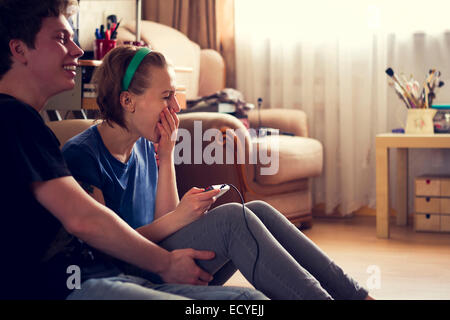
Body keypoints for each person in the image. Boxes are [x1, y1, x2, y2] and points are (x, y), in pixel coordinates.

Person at [0, 0, 267, 300]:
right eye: (62, 39)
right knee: (246, 301)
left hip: (101, 277)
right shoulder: (15, 120)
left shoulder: (26, 125)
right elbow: (85, 220)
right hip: (81, 284)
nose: (77, 50)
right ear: (19, 49)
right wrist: (165, 263)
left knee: (249, 294)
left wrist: (166, 159)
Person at [62, 45, 374, 300]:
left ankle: (357, 297)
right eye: (165, 97)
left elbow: (168, 224)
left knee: (257, 210)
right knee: (232, 221)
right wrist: (178, 217)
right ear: (128, 101)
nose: (176, 108)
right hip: (121, 273)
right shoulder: (82, 155)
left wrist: (167, 155)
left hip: (155, 257)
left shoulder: (144, 144)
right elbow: (105, 244)